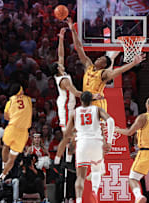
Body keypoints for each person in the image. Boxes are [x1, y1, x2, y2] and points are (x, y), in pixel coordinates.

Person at [66, 17, 146, 112]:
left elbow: (119, 71)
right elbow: (79, 48)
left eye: (101, 59)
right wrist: (73, 31)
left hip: (98, 105)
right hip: (86, 103)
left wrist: (133, 63)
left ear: (103, 65)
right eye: (99, 57)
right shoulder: (89, 66)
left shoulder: (103, 74)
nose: (98, 58)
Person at [52, 28, 100, 166]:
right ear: (57, 69)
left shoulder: (61, 72)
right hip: (66, 107)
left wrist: (61, 38)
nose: (61, 64)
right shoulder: (64, 81)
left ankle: (68, 159)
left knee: (73, 135)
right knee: (68, 135)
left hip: (69, 106)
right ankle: (61, 161)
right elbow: (77, 93)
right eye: (59, 65)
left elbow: (60, 55)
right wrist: (92, 97)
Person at [115, 95, 149, 203]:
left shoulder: (143, 117)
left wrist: (116, 130)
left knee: (133, 178)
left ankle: (138, 196)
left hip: (145, 152)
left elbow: (129, 132)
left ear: (148, 105)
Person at [64, 91, 115, 203]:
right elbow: (111, 121)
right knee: (97, 170)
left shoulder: (74, 112)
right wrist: (109, 141)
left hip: (82, 143)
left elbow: (67, 134)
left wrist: (73, 136)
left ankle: (78, 200)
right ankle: (94, 192)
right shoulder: (97, 110)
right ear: (92, 100)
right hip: (96, 142)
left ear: (81, 101)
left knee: (80, 176)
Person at [0, 83, 32, 186]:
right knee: (12, 158)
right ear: (20, 91)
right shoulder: (28, 99)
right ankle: (2, 176)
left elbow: (6, 117)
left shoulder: (10, 101)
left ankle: (3, 166)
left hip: (12, 128)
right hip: (23, 132)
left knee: (5, 146)